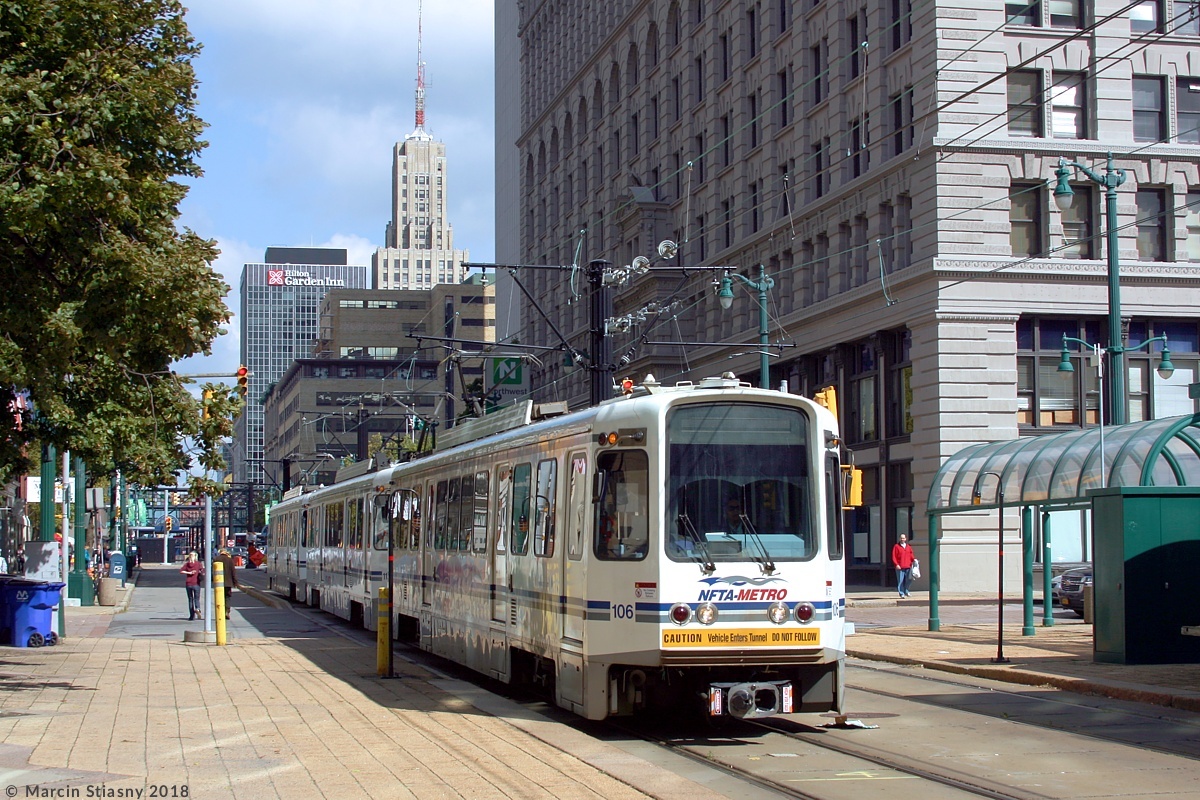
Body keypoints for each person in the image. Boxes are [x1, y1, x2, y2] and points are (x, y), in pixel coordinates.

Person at [212, 548, 238, 619]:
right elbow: (233, 572)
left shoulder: (216, 559)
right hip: (228, 583)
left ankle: (220, 612)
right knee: (227, 597)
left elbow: (212, 571)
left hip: (218, 582)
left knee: (219, 597)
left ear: (220, 552)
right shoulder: (230, 560)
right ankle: (227, 611)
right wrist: (235, 582)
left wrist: (212, 580)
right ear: (226, 553)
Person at [179, 551, 204, 620]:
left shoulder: (187, 564)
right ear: (196, 556)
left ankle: (191, 616)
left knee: (190, 599)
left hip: (188, 583)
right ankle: (197, 609)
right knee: (196, 598)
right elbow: (202, 571)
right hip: (196, 583)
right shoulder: (198, 564)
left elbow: (181, 571)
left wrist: (188, 572)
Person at [892, 533, 916, 598]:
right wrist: (896, 564)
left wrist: (914, 560)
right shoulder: (896, 546)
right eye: (901, 538)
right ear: (899, 539)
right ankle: (901, 593)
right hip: (900, 567)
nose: (902, 539)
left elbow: (911, 555)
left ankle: (906, 591)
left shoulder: (908, 547)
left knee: (909, 579)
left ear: (906, 539)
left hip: (908, 566)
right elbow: (894, 556)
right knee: (901, 580)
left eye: (903, 538)